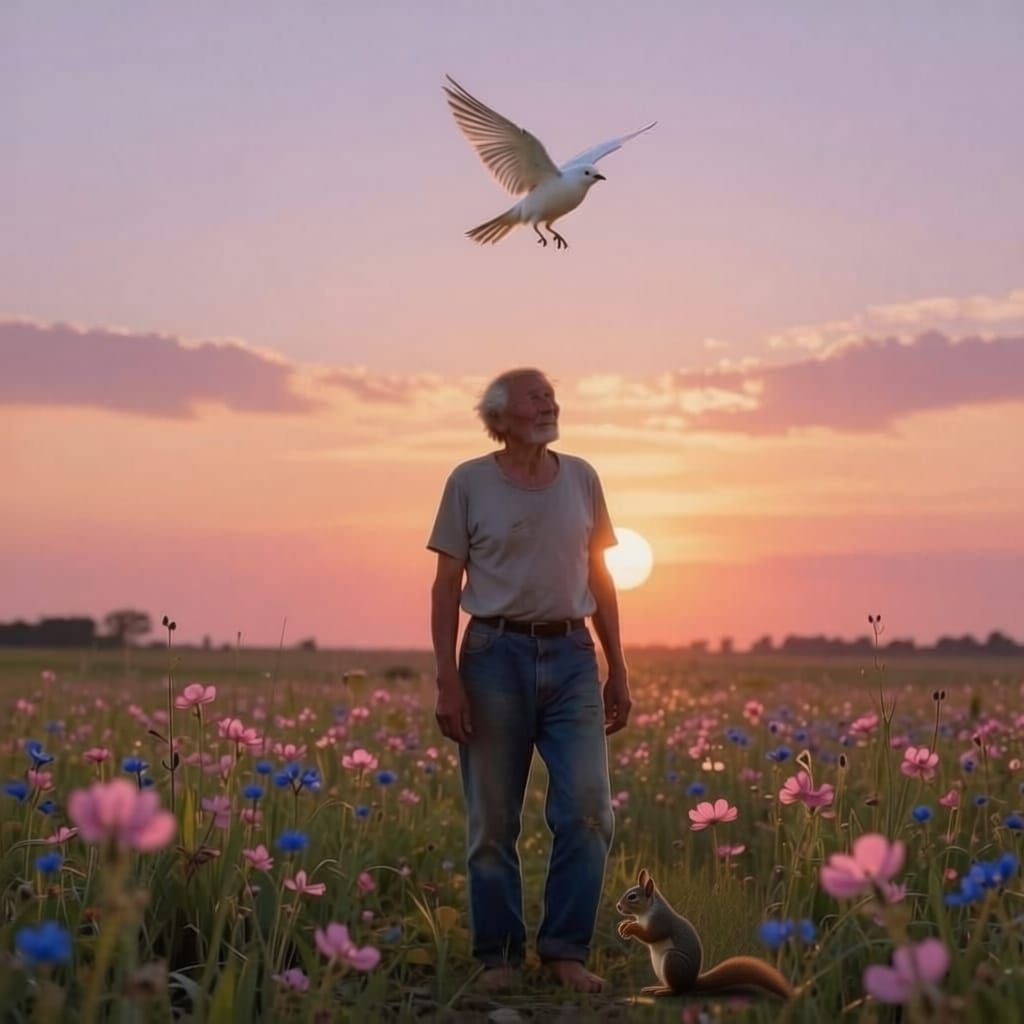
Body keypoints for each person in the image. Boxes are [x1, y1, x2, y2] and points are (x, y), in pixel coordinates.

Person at [427, 367, 632, 994]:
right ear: (501, 415)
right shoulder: (468, 482)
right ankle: (499, 958)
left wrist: (617, 667)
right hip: (493, 656)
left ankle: (566, 951)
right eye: (535, 396)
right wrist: (447, 680)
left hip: (572, 656)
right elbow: (446, 586)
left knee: (590, 812)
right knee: (493, 822)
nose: (550, 404)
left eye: (551, 395)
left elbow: (599, 577)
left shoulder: (582, 478)